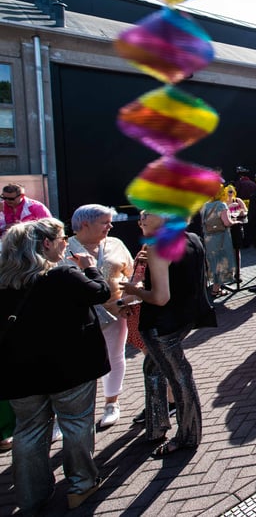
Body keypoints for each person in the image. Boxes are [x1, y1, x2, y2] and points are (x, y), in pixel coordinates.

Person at [0, 218, 108, 511]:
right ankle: (81, 485)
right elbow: (101, 292)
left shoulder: (4, 280)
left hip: (19, 371)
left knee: (28, 430)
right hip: (70, 368)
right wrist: (89, 266)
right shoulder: (63, 275)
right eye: (62, 238)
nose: (66, 243)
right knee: (76, 424)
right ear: (45, 244)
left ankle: (30, 496)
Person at [121, 211, 210, 457]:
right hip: (182, 321)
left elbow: (160, 297)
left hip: (162, 326)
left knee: (179, 377)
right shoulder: (191, 238)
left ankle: (187, 435)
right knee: (153, 369)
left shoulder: (160, 247)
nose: (140, 221)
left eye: (146, 215)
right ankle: (156, 424)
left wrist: (133, 290)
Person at [66, 205, 134, 431]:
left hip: (115, 313)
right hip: (76, 318)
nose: (111, 226)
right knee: (75, 361)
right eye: (105, 222)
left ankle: (111, 404)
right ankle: (70, 412)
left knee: (115, 357)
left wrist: (126, 299)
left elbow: (132, 274)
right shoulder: (64, 248)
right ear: (85, 224)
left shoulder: (115, 244)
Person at [200, 186, 235, 298]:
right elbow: (226, 222)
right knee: (221, 262)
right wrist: (234, 221)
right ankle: (216, 290)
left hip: (208, 237)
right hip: (221, 237)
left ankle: (212, 288)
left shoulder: (205, 206)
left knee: (211, 262)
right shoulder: (221, 205)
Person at [225, 184, 248, 283]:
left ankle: (238, 273)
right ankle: (228, 273)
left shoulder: (238, 200)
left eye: (232, 191)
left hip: (237, 227)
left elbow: (246, 211)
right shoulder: (223, 203)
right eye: (229, 192)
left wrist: (242, 212)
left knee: (236, 251)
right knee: (227, 251)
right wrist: (229, 208)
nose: (230, 194)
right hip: (227, 228)